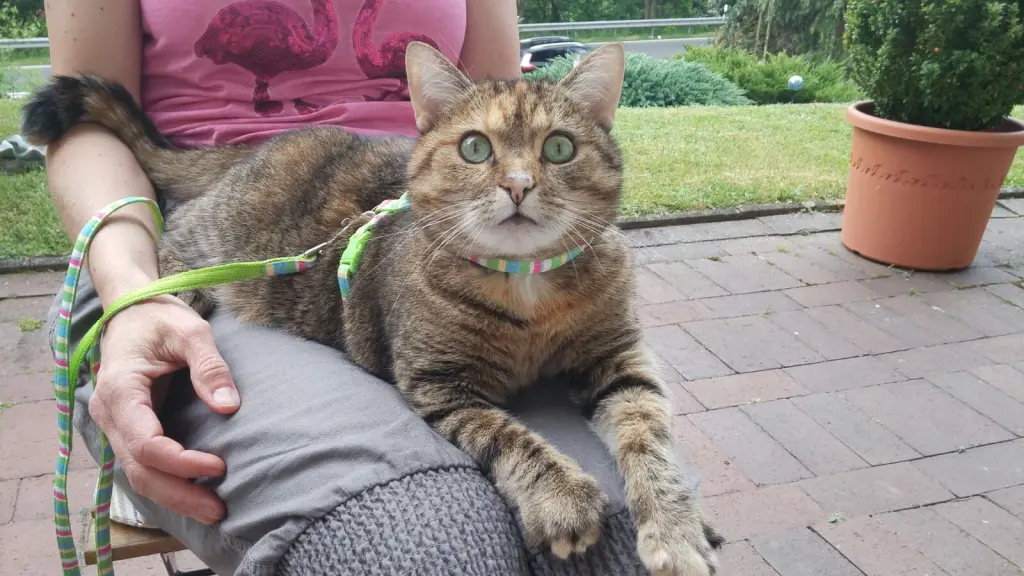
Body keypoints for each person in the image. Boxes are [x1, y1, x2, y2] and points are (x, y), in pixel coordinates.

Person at [43, 1, 664, 573]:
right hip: (195, 237)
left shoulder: (510, 173)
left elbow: (503, 106)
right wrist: (137, 290)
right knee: (426, 546)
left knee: (615, 541)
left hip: (449, 209)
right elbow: (87, 139)